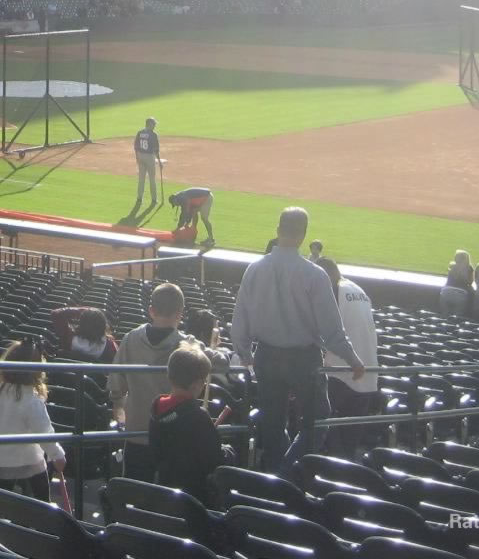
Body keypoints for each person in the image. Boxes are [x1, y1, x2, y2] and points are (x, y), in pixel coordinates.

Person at [231, 206, 364, 475]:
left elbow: (240, 318)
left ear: (278, 230)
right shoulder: (314, 274)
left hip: (266, 356)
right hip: (304, 359)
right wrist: (353, 359)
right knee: (317, 421)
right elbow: (331, 329)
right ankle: (288, 474)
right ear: (303, 235)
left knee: (272, 422)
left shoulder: (254, 270)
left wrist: (244, 352)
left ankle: (278, 476)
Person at [110, 282, 191, 481]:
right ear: (180, 313)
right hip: (170, 434)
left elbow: (115, 386)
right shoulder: (186, 345)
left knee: (133, 491)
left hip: (136, 431)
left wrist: (120, 411)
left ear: (151, 311)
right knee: (164, 496)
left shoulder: (130, 338)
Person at [0, 339, 66, 500]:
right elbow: (44, 433)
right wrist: (57, 455)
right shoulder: (32, 401)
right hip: (31, 462)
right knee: (42, 503)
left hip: (0, 461)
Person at [149, 344, 236, 504]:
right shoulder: (198, 416)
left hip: (165, 487)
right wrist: (227, 452)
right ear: (196, 384)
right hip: (195, 495)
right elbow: (213, 460)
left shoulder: (157, 409)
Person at [317, 257, 378, 456]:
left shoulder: (332, 291)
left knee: (318, 423)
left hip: (342, 370)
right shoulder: (356, 289)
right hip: (368, 370)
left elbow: (325, 332)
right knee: (349, 436)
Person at [130, 116, 161, 217]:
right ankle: (154, 199)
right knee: (152, 179)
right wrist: (159, 161)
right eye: (154, 124)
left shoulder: (140, 132)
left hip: (140, 156)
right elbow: (156, 150)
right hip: (149, 157)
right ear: (150, 124)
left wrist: (137, 158)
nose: (155, 125)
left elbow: (135, 146)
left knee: (141, 179)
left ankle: (139, 198)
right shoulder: (153, 134)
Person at [441, 250, 475, 316]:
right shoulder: (469, 268)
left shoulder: (451, 266)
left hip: (446, 292)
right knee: (457, 318)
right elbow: (470, 282)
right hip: (460, 294)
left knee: (445, 316)